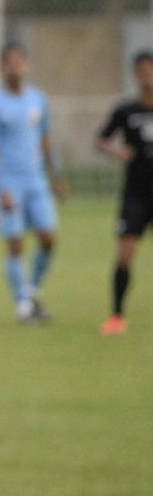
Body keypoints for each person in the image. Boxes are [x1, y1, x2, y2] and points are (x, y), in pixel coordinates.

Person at [0, 42, 69, 325]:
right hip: (10, 184)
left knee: (48, 238)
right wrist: (2, 186)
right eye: (9, 62)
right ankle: (22, 306)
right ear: (1, 68)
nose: (15, 66)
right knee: (16, 243)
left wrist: (56, 176)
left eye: (19, 61)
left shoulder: (38, 100)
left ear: (26, 65)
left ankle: (30, 292)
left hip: (37, 181)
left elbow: (44, 141)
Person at [95, 50, 153, 337]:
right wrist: (119, 152)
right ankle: (117, 315)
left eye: (150, 69)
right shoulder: (126, 111)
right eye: (141, 70)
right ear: (135, 74)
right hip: (136, 195)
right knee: (125, 254)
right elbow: (101, 140)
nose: (146, 75)